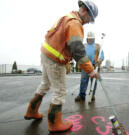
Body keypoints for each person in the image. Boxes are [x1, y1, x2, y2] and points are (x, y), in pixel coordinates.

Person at [24, 0, 98, 133]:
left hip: (46, 54)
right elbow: (78, 50)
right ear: (85, 11)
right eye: (90, 18)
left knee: (45, 85)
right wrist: (91, 70)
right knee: (60, 91)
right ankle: (55, 123)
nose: (88, 22)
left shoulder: (67, 17)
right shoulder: (75, 23)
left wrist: (66, 59)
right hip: (55, 59)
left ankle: (32, 111)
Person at [75, 31, 104, 102]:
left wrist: (100, 60)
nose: (90, 40)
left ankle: (92, 95)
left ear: (94, 39)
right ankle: (82, 95)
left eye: (92, 39)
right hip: (85, 66)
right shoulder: (84, 46)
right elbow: (80, 55)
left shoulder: (97, 46)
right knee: (83, 81)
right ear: (87, 39)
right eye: (89, 39)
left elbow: (102, 55)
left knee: (94, 82)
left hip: (94, 66)